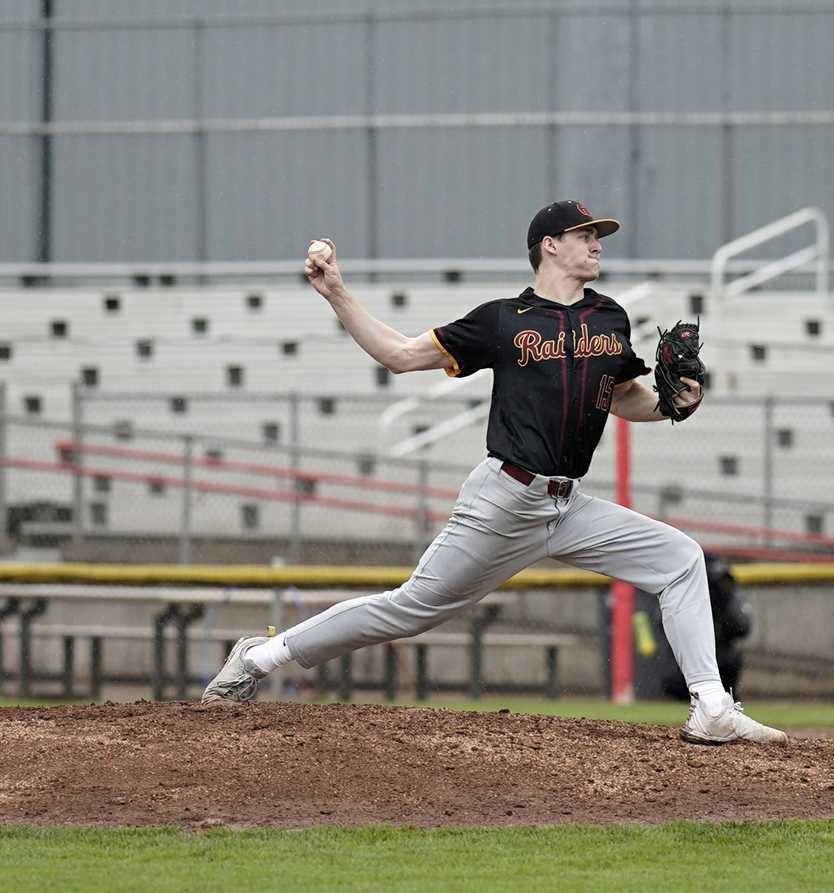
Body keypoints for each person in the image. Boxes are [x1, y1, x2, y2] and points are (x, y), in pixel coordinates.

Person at [201, 200, 787, 745]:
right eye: (586, 235)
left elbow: (626, 396)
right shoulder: (503, 319)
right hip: (505, 500)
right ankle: (259, 657)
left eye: (598, 236)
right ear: (549, 246)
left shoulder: (609, 317)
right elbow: (401, 355)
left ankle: (710, 708)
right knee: (411, 608)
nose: (597, 245)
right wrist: (338, 294)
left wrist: (676, 401)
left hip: (569, 506)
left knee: (681, 559)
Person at [660, 553, 752, 702]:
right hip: (687, 666)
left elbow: (742, 628)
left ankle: (717, 705)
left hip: (720, 661)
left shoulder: (726, 598)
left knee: (728, 663)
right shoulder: (684, 594)